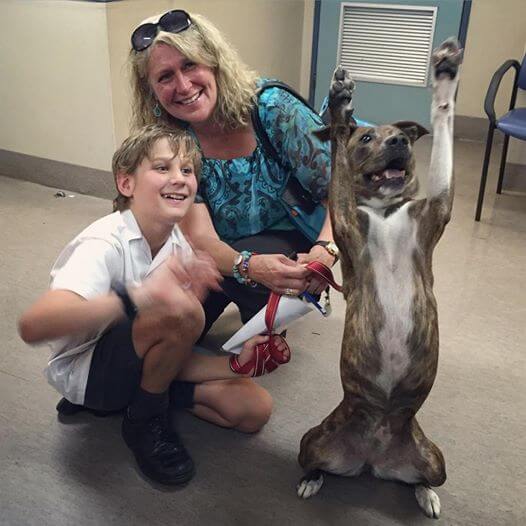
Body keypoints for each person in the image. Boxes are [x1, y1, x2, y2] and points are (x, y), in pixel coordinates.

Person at [18, 125, 281, 487]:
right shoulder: (103, 243)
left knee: (254, 409)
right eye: (163, 168)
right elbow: (34, 326)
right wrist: (138, 296)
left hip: (144, 363)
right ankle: (142, 419)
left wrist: (237, 364)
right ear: (126, 184)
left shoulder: (177, 244)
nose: (180, 179)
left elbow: (172, 346)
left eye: (187, 170)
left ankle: (139, 398)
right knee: (183, 312)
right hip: (89, 370)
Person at [128, 10, 340, 336]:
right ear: (151, 91)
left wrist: (324, 252)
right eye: (165, 77)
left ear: (214, 62)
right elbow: (201, 238)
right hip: (216, 253)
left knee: (257, 328)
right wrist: (250, 267)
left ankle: (259, 301)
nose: (183, 86)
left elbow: (340, 189)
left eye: (190, 65)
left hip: (287, 238)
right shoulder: (168, 139)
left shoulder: (272, 107)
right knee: (159, 332)